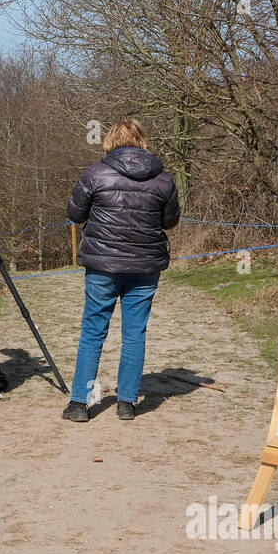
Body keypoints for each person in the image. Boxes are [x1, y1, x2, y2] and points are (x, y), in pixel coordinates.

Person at [62, 118, 180, 423]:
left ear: (111, 141)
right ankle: (127, 402)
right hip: (144, 265)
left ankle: (79, 403)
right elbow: (169, 221)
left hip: (103, 264)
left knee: (92, 333)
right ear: (142, 140)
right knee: (134, 335)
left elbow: (74, 213)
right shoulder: (163, 179)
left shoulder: (95, 173)